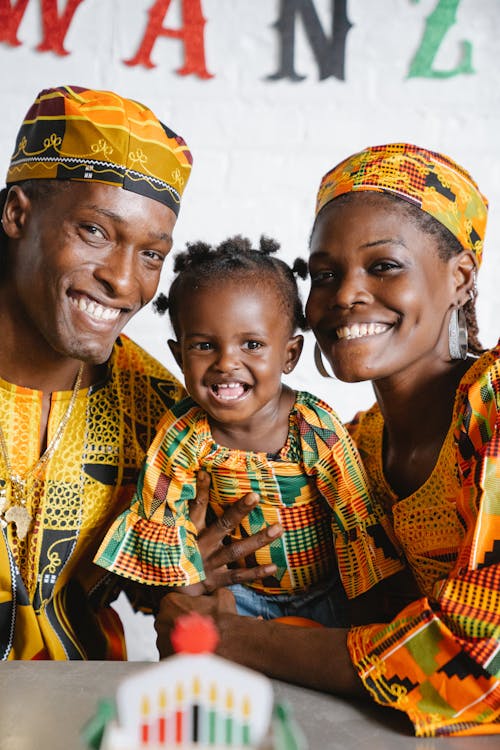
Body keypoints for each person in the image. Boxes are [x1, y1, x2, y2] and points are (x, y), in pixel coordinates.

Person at [154, 143, 500, 737]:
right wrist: (204, 584)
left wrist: (229, 637)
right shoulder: (350, 448)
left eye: (383, 265)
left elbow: (480, 658)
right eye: (325, 275)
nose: (344, 295)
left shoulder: (491, 406)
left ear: (460, 277)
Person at [0, 85, 275, 660]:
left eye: (151, 253)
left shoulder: (160, 413)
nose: (125, 283)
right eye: (95, 232)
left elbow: (179, 599)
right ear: (17, 214)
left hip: (82, 718)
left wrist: (182, 589)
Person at [95, 236, 403, 626]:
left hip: (330, 591)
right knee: (193, 636)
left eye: (252, 344)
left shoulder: (313, 428)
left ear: (289, 354)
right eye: (205, 346)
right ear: (179, 357)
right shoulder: (182, 435)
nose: (226, 363)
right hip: (237, 594)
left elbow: (355, 515)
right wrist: (186, 587)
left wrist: (365, 613)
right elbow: (162, 513)